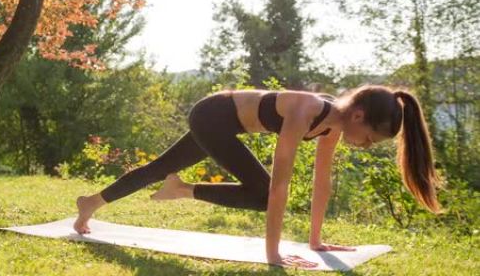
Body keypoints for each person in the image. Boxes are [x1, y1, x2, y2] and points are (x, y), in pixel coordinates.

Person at [73, 84, 444, 269]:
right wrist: (273, 255)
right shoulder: (307, 109)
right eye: (369, 139)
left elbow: (322, 184)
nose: (364, 145)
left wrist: (316, 242)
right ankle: (182, 189)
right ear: (360, 116)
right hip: (212, 115)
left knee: (157, 168)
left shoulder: (331, 127)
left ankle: (90, 204)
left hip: (224, 123)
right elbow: (279, 186)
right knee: (264, 190)